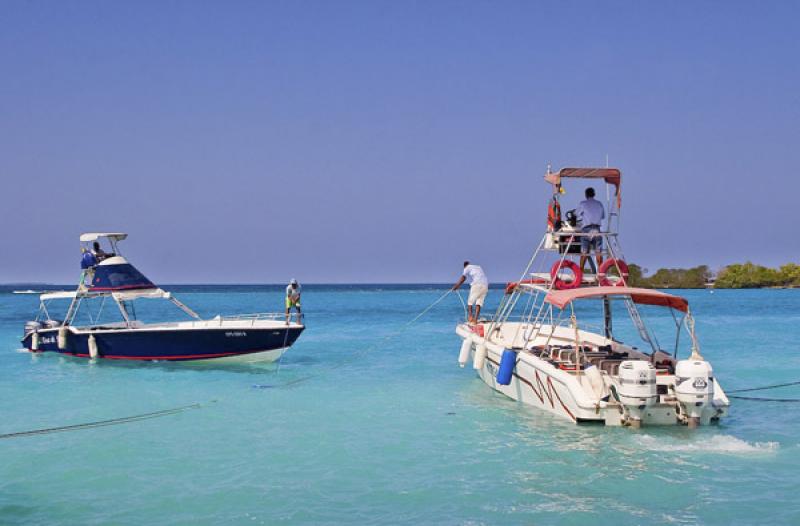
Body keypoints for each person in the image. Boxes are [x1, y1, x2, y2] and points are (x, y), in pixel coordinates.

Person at [577, 187, 605, 273]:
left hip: (586, 229)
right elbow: (603, 216)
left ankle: (580, 273)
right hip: (597, 229)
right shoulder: (599, 204)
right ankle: (601, 273)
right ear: (594, 194)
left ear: (586, 195)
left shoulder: (583, 203)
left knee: (584, 252)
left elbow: (576, 214)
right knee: (598, 252)